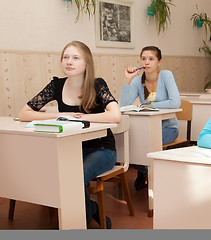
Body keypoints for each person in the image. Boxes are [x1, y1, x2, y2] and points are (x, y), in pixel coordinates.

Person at [19, 41, 121, 229]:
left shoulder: (97, 84)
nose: (69, 62)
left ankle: (78, 222)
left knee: (74, 177)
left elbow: (115, 116)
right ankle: (91, 209)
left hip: (101, 149)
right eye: (65, 57)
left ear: (86, 63)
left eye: (75, 58)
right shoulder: (56, 85)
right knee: (48, 174)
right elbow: (24, 113)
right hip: (71, 149)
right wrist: (60, 115)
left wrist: (83, 118)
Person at [120, 46, 180, 190]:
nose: (146, 62)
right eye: (143, 58)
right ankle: (143, 172)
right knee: (136, 143)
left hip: (168, 128)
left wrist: (149, 104)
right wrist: (127, 80)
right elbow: (123, 105)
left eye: (151, 59)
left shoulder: (166, 76)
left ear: (159, 62)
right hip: (147, 128)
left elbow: (175, 102)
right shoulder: (137, 81)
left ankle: (147, 173)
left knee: (146, 143)